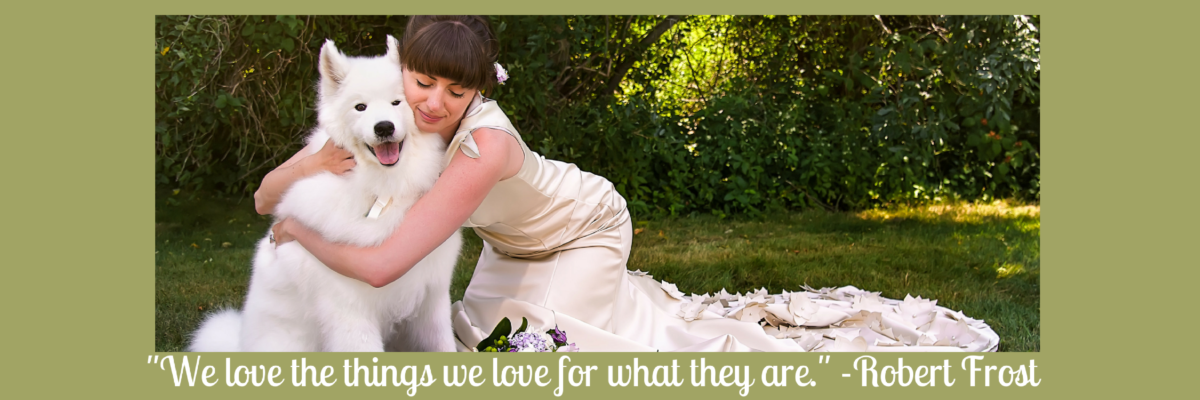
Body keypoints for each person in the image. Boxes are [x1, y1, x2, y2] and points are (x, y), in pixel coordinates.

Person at [257, 15, 1000, 352]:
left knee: (532, 352)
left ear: (476, 91)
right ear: (402, 75)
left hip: (582, 224)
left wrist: (300, 235)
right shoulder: (395, 116)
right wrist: (307, 171)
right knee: (463, 336)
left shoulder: (478, 146)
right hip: (512, 240)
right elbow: (266, 196)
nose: (429, 105)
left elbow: (386, 264)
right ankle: (629, 298)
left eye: (453, 92)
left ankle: (625, 299)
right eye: (420, 83)